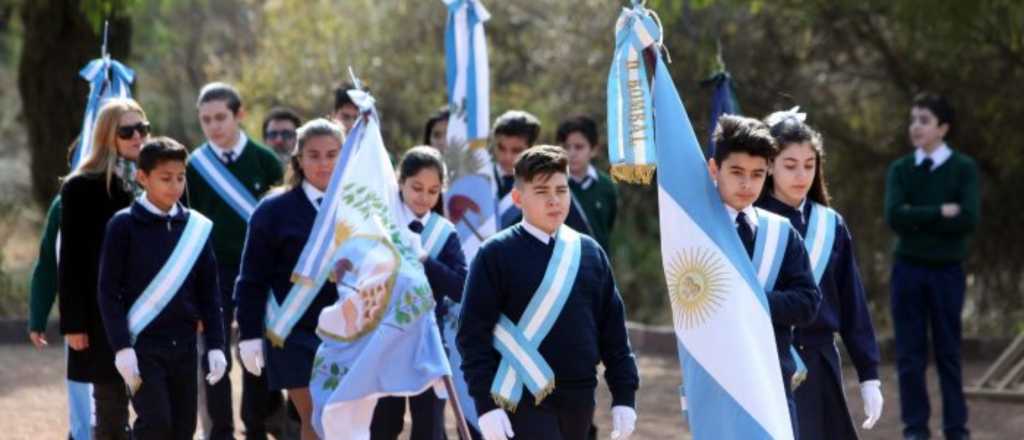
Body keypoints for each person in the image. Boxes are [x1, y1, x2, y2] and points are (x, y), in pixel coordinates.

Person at [458, 145, 639, 440]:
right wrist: (486, 405)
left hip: (580, 396)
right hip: (520, 396)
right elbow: (472, 336)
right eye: (542, 191)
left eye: (561, 190)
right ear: (518, 198)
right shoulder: (494, 254)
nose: (554, 200)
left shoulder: (590, 253)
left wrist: (624, 395)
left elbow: (614, 332)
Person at [756, 110, 883, 439]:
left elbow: (852, 302)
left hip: (819, 361)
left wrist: (869, 375)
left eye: (809, 165)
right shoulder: (751, 220)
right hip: (766, 357)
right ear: (769, 165)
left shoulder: (830, 224)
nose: (801, 175)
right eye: (790, 165)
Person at [97, 137, 227, 440]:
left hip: (184, 343)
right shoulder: (123, 225)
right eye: (165, 178)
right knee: (155, 424)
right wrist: (121, 347)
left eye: (180, 177)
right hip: (142, 344)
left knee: (184, 428)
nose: (175, 185)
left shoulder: (195, 227)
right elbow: (108, 291)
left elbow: (210, 291)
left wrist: (217, 344)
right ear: (143, 178)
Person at [707, 114, 821, 438]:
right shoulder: (698, 233)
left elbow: (808, 301)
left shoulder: (780, 233)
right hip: (717, 382)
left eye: (757, 174)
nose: (747, 184)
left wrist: (753, 300)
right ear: (715, 169)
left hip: (772, 379)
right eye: (737, 172)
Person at [186, 82, 285, 440]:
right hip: (211, 275)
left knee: (255, 351)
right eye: (206, 120)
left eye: (221, 117)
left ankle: (255, 426)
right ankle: (221, 432)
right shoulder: (193, 168)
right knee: (214, 356)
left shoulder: (266, 161)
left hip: (259, 273)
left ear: (239, 115)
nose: (214, 126)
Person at [235, 118, 345, 440]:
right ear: (298, 159)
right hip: (294, 333)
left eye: (331, 154)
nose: (323, 163)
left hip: (347, 332)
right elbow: (251, 278)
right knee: (315, 419)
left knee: (343, 421)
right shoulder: (273, 210)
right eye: (313, 155)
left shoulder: (358, 206)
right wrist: (250, 335)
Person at [884, 93, 979, 440]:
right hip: (907, 271)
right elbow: (894, 216)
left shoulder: (964, 169)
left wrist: (916, 216)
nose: (915, 127)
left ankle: (956, 429)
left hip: (947, 273)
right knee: (909, 357)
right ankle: (915, 430)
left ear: (943, 127)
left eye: (924, 120)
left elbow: (968, 219)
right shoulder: (901, 170)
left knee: (949, 354)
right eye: (913, 120)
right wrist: (940, 212)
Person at [59, 98, 149, 440]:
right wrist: (74, 323)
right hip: (101, 315)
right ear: (107, 135)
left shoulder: (163, 179)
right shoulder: (81, 187)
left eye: (143, 128)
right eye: (127, 131)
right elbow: (71, 262)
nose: (137, 136)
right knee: (110, 410)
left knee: (154, 410)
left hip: (154, 310)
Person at [369, 146, 468, 440]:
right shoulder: (382, 224)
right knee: (384, 425)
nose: (424, 197)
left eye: (433, 191)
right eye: (417, 188)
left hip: (428, 343)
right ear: (401, 183)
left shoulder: (444, 231)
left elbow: (461, 287)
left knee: (429, 427)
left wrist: (426, 260)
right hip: (386, 341)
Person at [556, 115, 619, 253]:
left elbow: (607, 226)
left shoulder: (606, 186)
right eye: (566, 147)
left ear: (594, 149)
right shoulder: (552, 185)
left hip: (597, 265)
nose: (571, 153)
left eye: (579, 147)